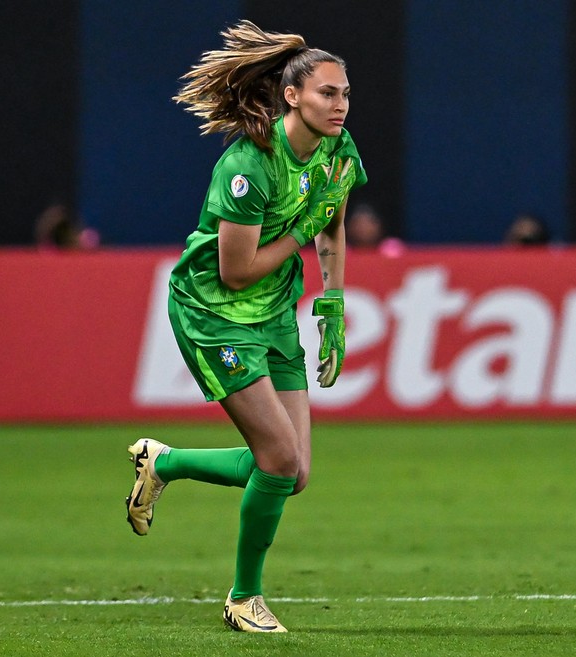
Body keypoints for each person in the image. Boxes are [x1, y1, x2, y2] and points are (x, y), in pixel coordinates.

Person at [123, 20, 366, 633]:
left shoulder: (339, 150)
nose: (339, 104)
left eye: (344, 93)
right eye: (327, 93)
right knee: (278, 460)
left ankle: (164, 463)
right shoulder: (248, 165)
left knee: (295, 473)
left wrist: (333, 306)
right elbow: (236, 273)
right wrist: (302, 229)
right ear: (292, 96)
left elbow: (333, 222)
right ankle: (243, 599)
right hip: (215, 314)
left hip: (275, 312)